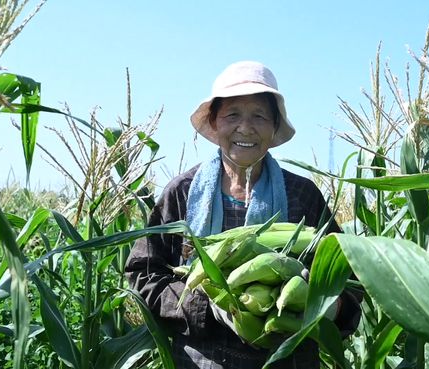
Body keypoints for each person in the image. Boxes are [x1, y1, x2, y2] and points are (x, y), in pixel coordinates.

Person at [125, 61, 360, 368]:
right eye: (232, 115)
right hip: (199, 360)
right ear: (214, 122)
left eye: (259, 116)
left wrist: (324, 305)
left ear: (274, 126)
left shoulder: (303, 195)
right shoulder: (182, 193)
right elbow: (142, 273)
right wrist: (207, 304)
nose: (245, 128)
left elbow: (350, 279)